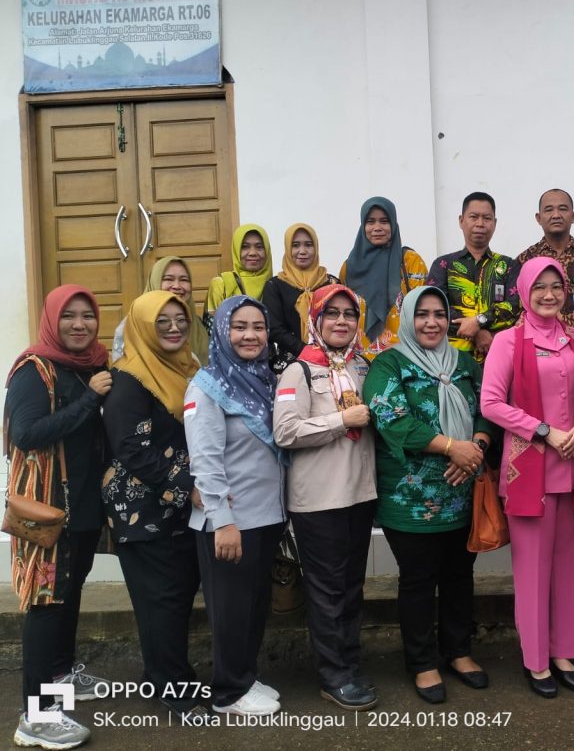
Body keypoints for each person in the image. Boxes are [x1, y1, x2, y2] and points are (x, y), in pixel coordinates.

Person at [364, 286, 494, 704]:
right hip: (410, 499)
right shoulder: (388, 364)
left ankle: (458, 651)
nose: (432, 322)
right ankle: (422, 662)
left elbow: (486, 407)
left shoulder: (463, 362)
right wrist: (449, 447)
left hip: (462, 490)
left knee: (459, 576)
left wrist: (475, 446)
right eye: (422, 314)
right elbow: (391, 419)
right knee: (418, 581)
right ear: (406, 318)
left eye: (440, 314)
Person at [480, 257, 574, 698]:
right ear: (524, 292)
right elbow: (491, 403)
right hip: (531, 468)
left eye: (556, 286)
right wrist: (544, 431)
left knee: (570, 568)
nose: (549, 294)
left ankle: (564, 650)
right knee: (532, 573)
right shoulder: (509, 342)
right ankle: (535, 660)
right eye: (539, 287)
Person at [5, 286, 111, 750]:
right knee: (46, 606)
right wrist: (88, 399)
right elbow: (25, 434)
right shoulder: (35, 370)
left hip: (83, 507)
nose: (79, 325)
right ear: (52, 319)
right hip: (49, 511)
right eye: (69, 316)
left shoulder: (94, 364)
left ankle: (60, 677)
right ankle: (35, 715)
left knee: (68, 596)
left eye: (88, 316)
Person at [273, 284, 379, 711]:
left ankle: (349, 664)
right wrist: (341, 419)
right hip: (318, 500)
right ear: (315, 321)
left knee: (351, 588)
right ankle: (333, 674)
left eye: (348, 315)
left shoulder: (364, 366)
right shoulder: (298, 370)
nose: (340, 321)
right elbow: (285, 432)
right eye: (331, 313)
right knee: (327, 590)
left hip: (359, 494)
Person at [101, 290, 203, 720]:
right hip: (142, 510)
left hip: (175, 506)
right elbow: (130, 449)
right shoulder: (129, 379)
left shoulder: (186, 368)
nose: (174, 328)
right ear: (143, 327)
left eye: (180, 319)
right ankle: (173, 689)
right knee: (161, 600)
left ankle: (165, 673)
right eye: (162, 322)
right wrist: (186, 487)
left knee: (175, 597)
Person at [185, 296, 286, 716]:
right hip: (229, 522)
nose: (250, 335)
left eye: (258, 327)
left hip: (265, 518)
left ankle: (244, 676)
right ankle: (228, 692)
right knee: (230, 611)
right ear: (222, 331)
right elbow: (204, 460)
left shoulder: (263, 380)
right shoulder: (206, 386)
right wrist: (222, 521)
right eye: (239, 326)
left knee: (254, 604)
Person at [426, 192, 520, 361]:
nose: (480, 223)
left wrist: (478, 321)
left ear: (495, 223)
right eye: (474, 217)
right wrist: (477, 333)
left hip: (499, 357)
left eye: (487, 218)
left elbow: (513, 307)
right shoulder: (443, 265)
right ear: (461, 221)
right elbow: (436, 307)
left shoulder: (509, 266)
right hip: (451, 359)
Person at [339, 196, 428, 359]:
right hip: (359, 362)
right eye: (370, 221)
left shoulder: (410, 262)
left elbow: (424, 312)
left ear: (393, 224)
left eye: (384, 221)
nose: (377, 227)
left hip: (403, 358)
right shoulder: (349, 268)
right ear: (363, 225)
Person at [517, 189, 574, 330]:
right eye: (549, 210)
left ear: (573, 216)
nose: (556, 215)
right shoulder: (526, 259)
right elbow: (519, 309)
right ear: (538, 218)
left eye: (563, 209)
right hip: (541, 343)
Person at [263, 223, 339, 373]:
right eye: (295, 245)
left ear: (316, 248)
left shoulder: (332, 283)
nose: (302, 251)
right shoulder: (275, 285)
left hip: (330, 358)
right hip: (290, 361)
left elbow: (340, 319)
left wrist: (324, 353)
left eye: (308, 245)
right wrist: (304, 350)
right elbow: (274, 328)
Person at [112, 256, 210, 365]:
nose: (177, 286)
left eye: (184, 280)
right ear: (155, 281)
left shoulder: (197, 325)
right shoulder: (134, 324)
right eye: (168, 279)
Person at [205, 224, 274, 314]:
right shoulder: (221, 284)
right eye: (245, 247)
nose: (252, 253)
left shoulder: (276, 286)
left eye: (259, 247)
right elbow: (212, 325)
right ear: (236, 250)